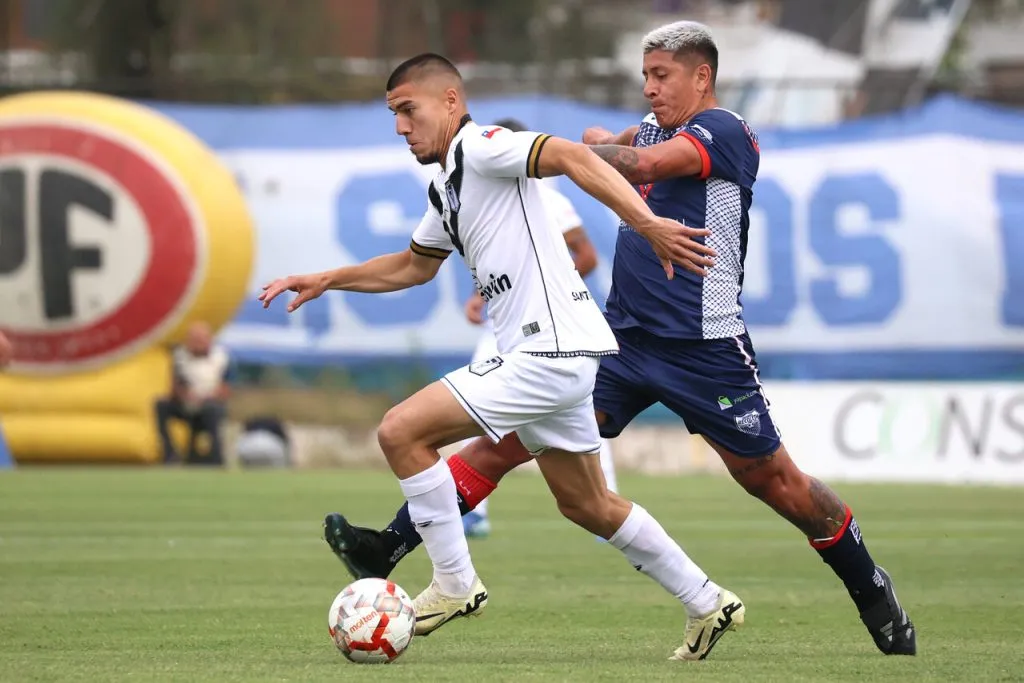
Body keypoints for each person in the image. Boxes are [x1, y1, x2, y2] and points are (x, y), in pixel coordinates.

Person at [321, 23, 916, 658]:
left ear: (702, 77)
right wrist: (591, 144)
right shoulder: (652, 129)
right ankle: (392, 546)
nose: (650, 87)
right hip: (623, 343)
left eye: (662, 75)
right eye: (645, 76)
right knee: (504, 449)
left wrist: (554, 154)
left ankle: (869, 586)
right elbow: (627, 144)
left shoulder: (724, 130)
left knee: (776, 483)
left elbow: (645, 164)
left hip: (703, 347)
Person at [260, 53, 741, 659]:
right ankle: (707, 601)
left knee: (401, 431)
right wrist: (328, 278)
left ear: (451, 101)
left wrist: (647, 224)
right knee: (587, 504)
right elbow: (412, 267)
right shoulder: (447, 186)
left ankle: (455, 584)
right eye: (393, 115)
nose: (401, 127)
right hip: (560, 353)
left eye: (408, 110)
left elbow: (571, 156)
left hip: (548, 349)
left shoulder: (485, 146)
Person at [457, 116, 618, 539]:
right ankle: (473, 512)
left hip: (551, 326)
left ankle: (608, 503)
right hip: (504, 323)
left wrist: (551, 286)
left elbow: (587, 255)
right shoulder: (482, 198)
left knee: (585, 415)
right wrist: (481, 296)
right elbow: (503, 267)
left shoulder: (546, 197)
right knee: (474, 407)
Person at [154, 321, 232, 465]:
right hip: (186, 401)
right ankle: (170, 454)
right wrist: (185, 396)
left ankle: (216, 458)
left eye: (201, 340)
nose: (197, 344)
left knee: (212, 410)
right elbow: (175, 385)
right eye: (194, 340)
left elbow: (225, 388)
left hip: (210, 403)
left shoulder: (221, 358)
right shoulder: (179, 357)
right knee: (161, 405)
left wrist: (210, 396)